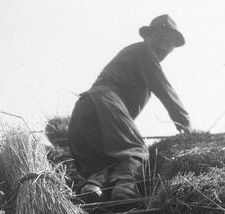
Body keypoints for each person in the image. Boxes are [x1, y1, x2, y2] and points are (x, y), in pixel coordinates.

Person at [68, 14, 191, 202]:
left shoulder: (135, 55)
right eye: (161, 39)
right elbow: (163, 88)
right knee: (135, 149)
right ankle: (125, 187)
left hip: (84, 109)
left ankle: (93, 187)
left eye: (169, 43)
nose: (164, 47)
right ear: (148, 37)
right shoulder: (144, 51)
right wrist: (184, 122)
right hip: (105, 102)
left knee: (104, 161)